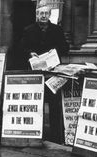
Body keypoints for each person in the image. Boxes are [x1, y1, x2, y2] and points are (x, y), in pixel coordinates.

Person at [19, 2, 69, 144]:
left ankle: (55, 136)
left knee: (54, 103)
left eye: (46, 13)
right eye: (41, 13)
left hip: (53, 73)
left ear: (49, 15)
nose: (44, 16)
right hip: (36, 74)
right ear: (37, 15)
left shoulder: (57, 30)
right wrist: (30, 53)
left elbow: (65, 47)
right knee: (36, 102)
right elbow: (21, 48)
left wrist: (55, 52)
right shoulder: (28, 30)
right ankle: (36, 133)